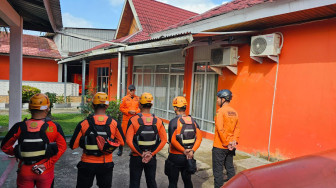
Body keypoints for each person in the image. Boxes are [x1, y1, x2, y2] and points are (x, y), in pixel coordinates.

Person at [1, 93, 67, 188]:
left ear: (30, 108)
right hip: (45, 171)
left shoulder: (19, 126)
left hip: (24, 171)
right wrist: (46, 164)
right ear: (47, 108)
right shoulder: (54, 126)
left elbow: (4, 147)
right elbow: (62, 147)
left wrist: (18, 153)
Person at [70, 92, 125, 188]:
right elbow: (122, 142)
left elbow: (73, 145)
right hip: (106, 163)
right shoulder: (114, 123)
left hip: (87, 163)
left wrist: (84, 141)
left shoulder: (84, 123)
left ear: (92, 105)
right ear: (107, 106)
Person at [126, 92, 167, 188]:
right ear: (151, 105)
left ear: (139, 104)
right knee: (151, 181)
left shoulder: (133, 120)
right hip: (151, 157)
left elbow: (129, 141)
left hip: (136, 157)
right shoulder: (158, 121)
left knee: (134, 183)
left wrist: (141, 153)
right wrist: (151, 154)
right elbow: (164, 140)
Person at [166, 96, 202, 188]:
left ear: (175, 108)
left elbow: (172, 141)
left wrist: (183, 150)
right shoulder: (193, 121)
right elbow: (199, 138)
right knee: (187, 181)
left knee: (173, 182)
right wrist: (192, 151)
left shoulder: (174, 122)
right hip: (188, 157)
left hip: (175, 156)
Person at [212, 89, 240, 188]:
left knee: (218, 171)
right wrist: (234, 142)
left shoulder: (220, 111)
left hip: (220, 146)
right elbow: (237, 128)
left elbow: (220, 129)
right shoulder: (235, 112)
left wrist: (227, 142)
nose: (217, 101)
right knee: (230, 168)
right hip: (231, 146)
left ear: (223, 99)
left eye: (218, 98)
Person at [118, 84, 140, 156]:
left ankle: (133, 150)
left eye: (133, 90)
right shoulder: (124, 99)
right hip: (126, 119)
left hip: (134, 119)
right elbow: (121, 108)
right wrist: (128, 111)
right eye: (130, 90)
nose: (132, 92)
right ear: (128, 90)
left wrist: (136, 112)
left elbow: (140, 108)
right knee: (123, 135)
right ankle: (120, 149)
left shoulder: (138, 99)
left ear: (135, 90)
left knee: (134, 135)